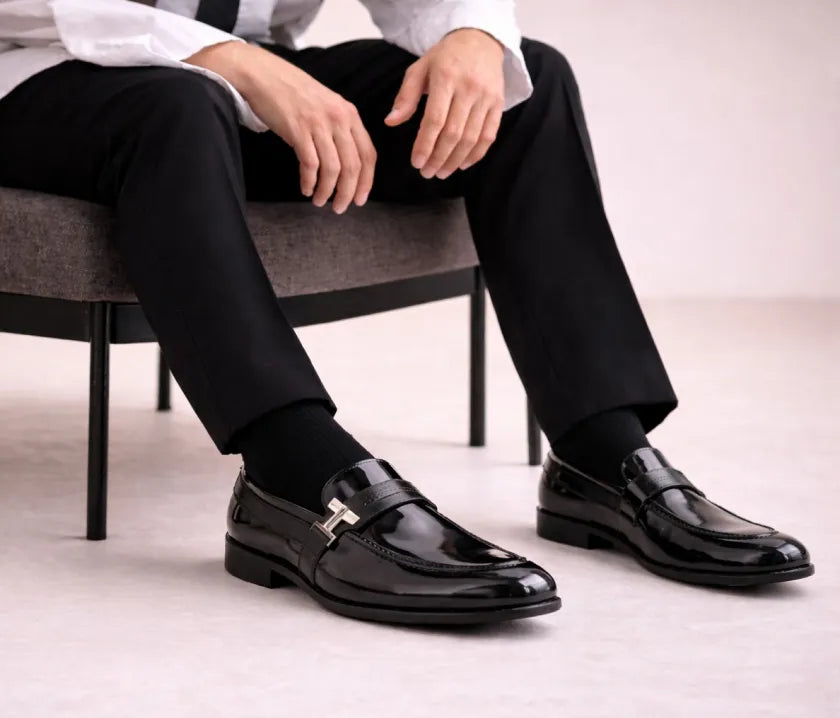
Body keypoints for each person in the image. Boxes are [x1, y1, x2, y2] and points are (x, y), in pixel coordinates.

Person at [0, 0, 813, 625]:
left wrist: (472, 35)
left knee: (528, 79)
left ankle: (601, 456)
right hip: (41, 76)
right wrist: (227, 57)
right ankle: (291, 474)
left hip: (237, 86)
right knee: (176, 104)